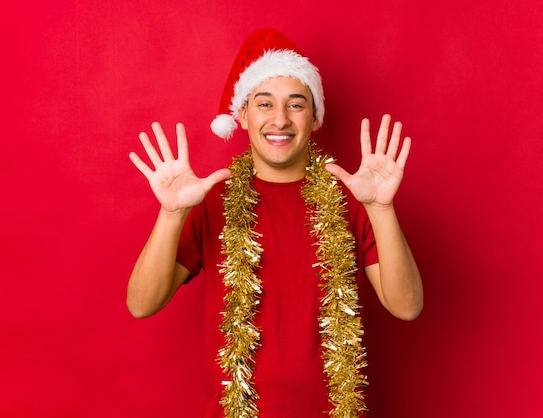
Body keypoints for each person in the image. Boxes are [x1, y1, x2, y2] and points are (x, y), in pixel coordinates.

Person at [127, 28, 423, 418]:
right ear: (243, 115)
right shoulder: (212, 199)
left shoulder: (353, 197)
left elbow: (407, 306)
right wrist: (171, 214)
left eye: (296, 105)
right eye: (264, 104)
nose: (280, 120)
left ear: (315, 117)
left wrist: (382, 208)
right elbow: (141, 304)